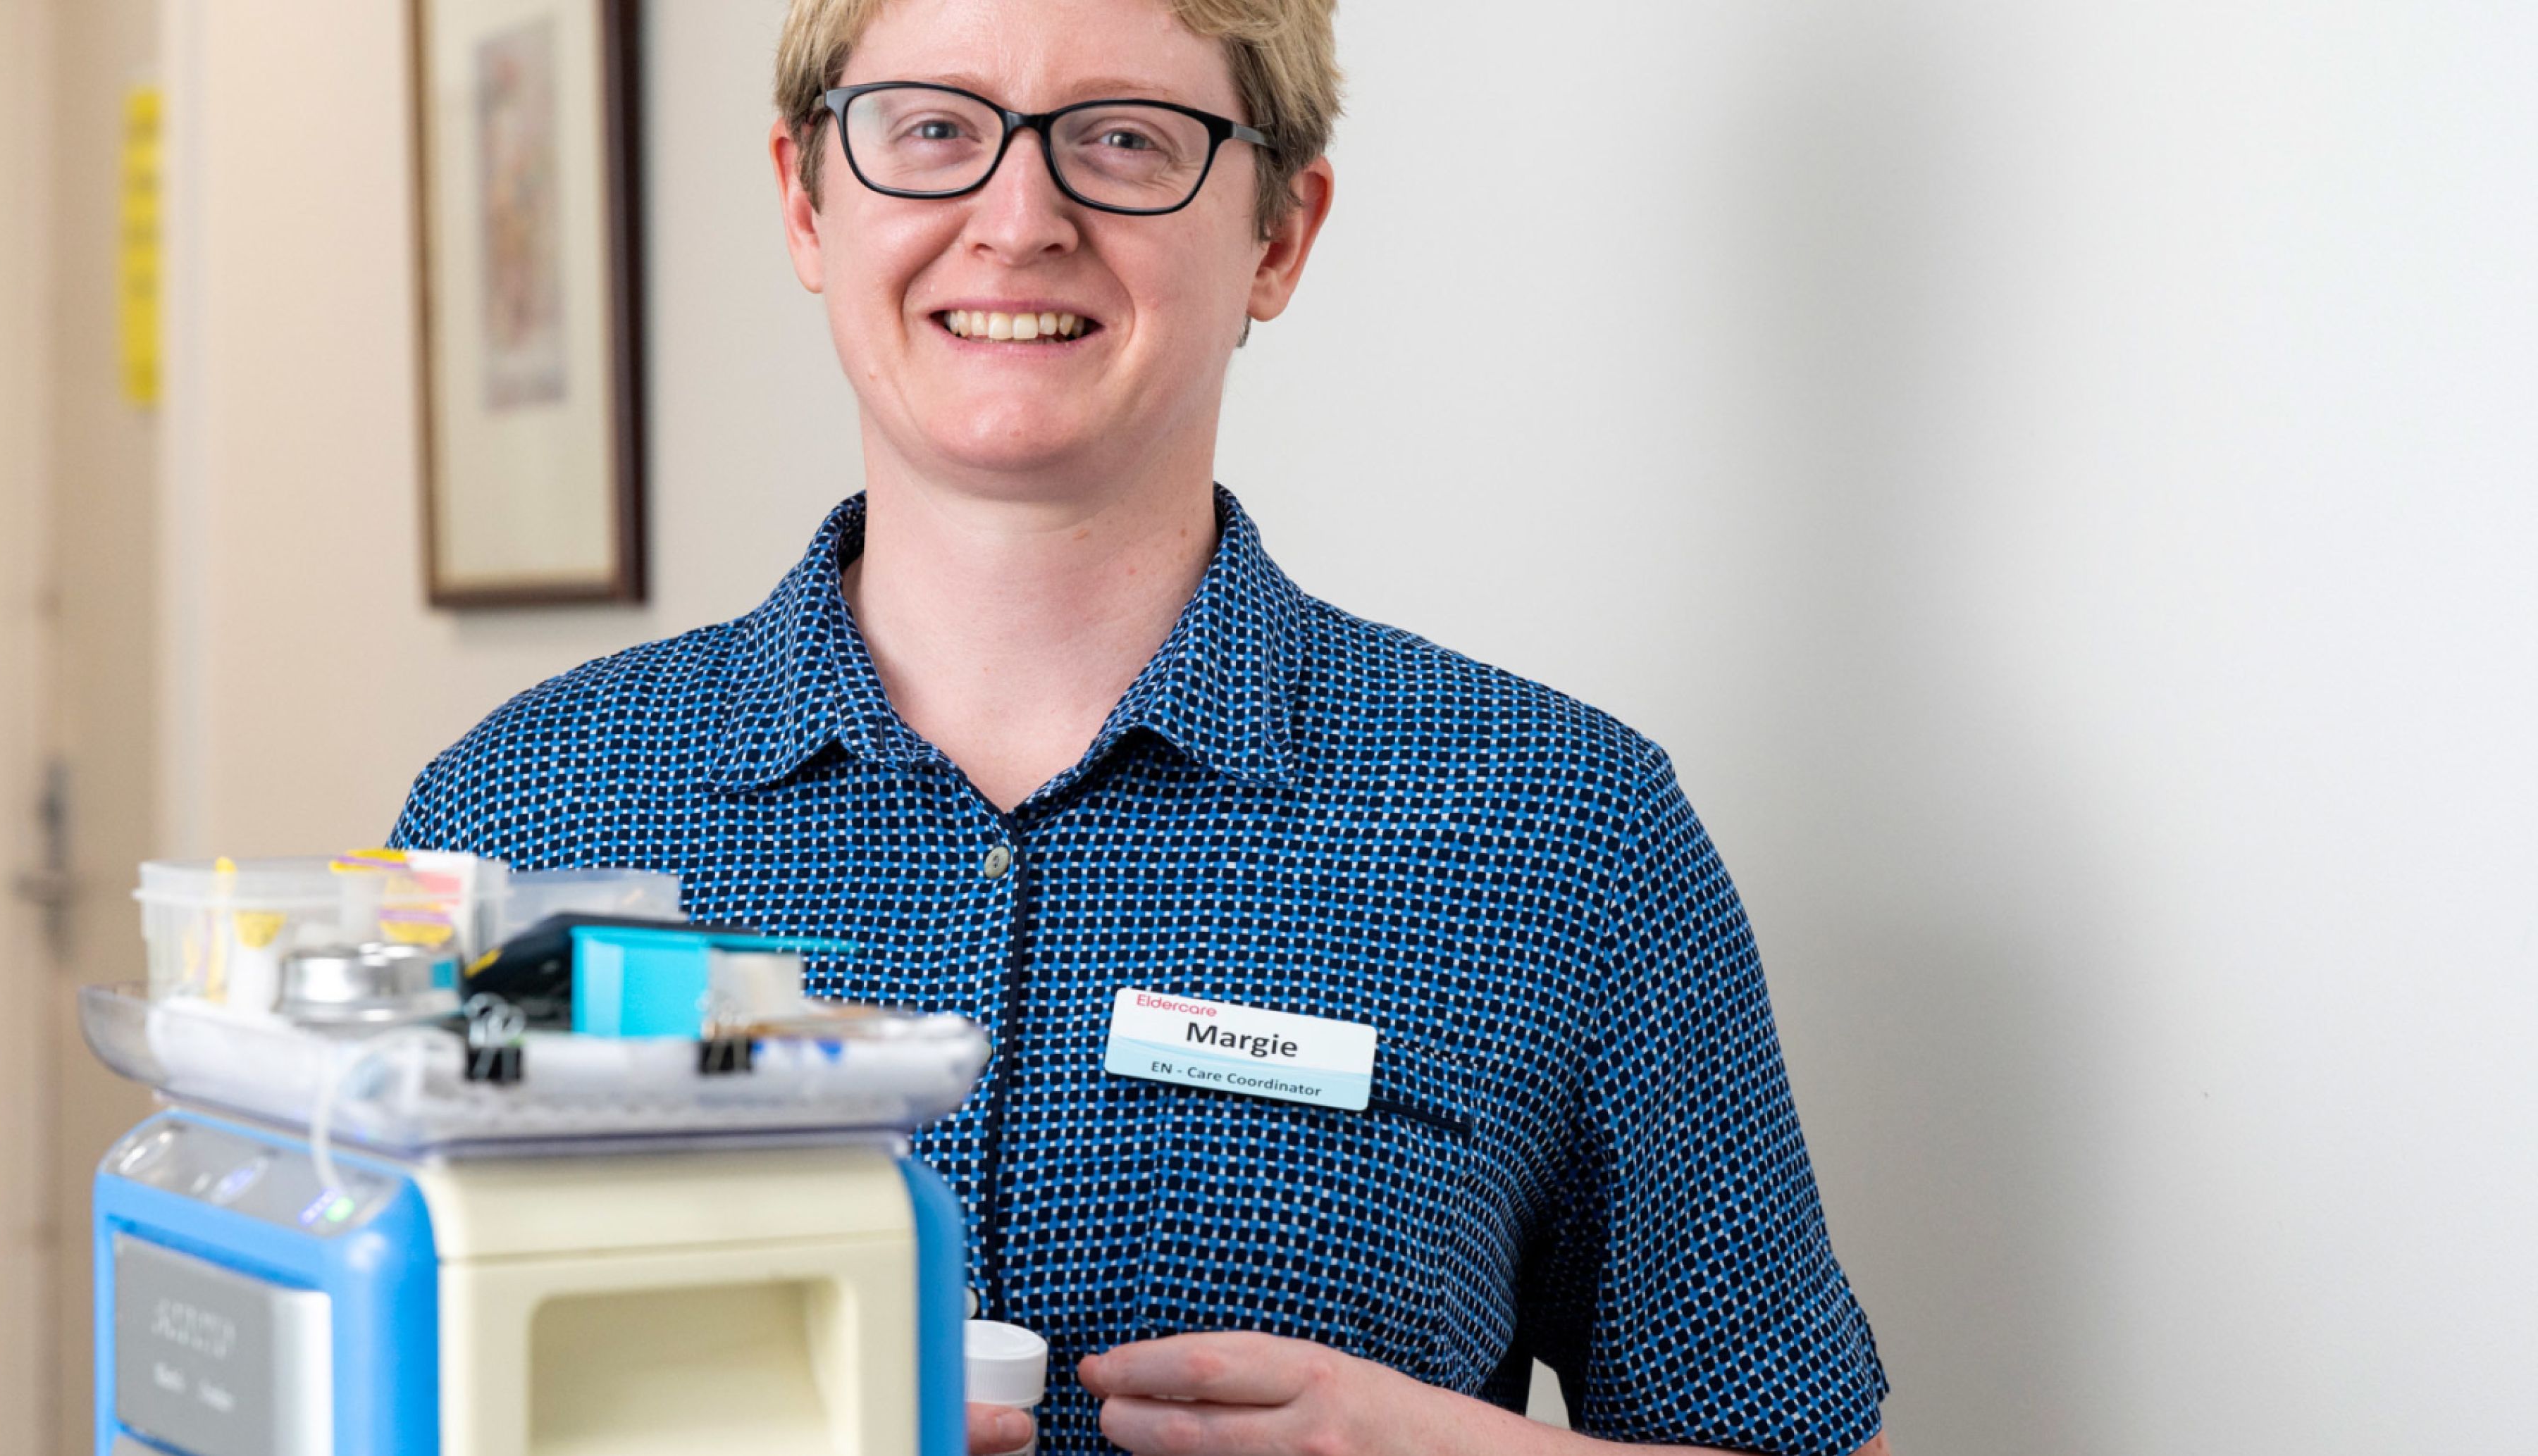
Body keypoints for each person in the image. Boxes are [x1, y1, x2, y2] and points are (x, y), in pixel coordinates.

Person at [390, 0, 1891, 1450]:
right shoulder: (520, 819)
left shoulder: (1564, 830)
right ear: (805, 198)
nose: (1019, 213)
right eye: (931, 128)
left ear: (1278, 236)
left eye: (1122, 139)